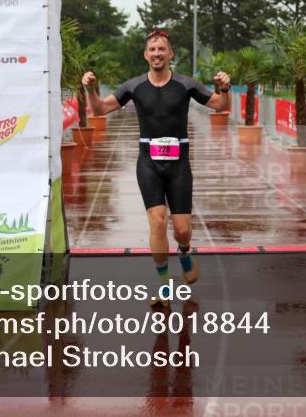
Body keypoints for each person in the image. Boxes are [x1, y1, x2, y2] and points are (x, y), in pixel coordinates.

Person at [82, 29, 230, 309]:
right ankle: (163, 287)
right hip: (148, 162)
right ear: (145, 55)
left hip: (179, 165)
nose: (157, 54)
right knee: (157, 220)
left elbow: (221, 106)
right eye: (152, 50)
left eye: (162, 49)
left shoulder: (186, 85)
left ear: (170, 53)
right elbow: (100, 109)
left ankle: (184, 252)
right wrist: (91, 89)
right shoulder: (134, 86)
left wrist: (223, 87)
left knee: (182, 229)